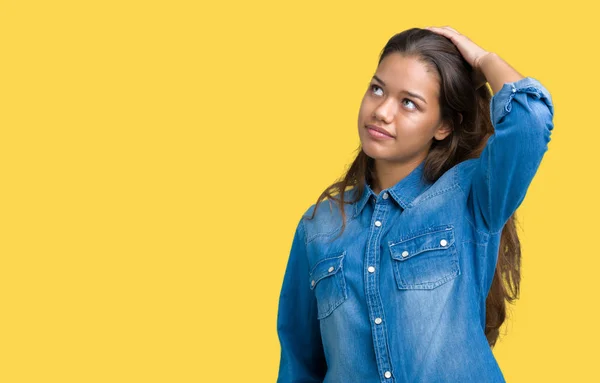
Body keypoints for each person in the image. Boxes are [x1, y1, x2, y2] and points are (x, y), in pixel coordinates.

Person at [275, 26, 554, 383]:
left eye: (409, 102)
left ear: (444, 126)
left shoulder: (471, 196)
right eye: (377, 89)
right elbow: (298, 365)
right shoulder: (319, 227)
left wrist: (484, 61)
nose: (382, 112)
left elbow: (530, 118)